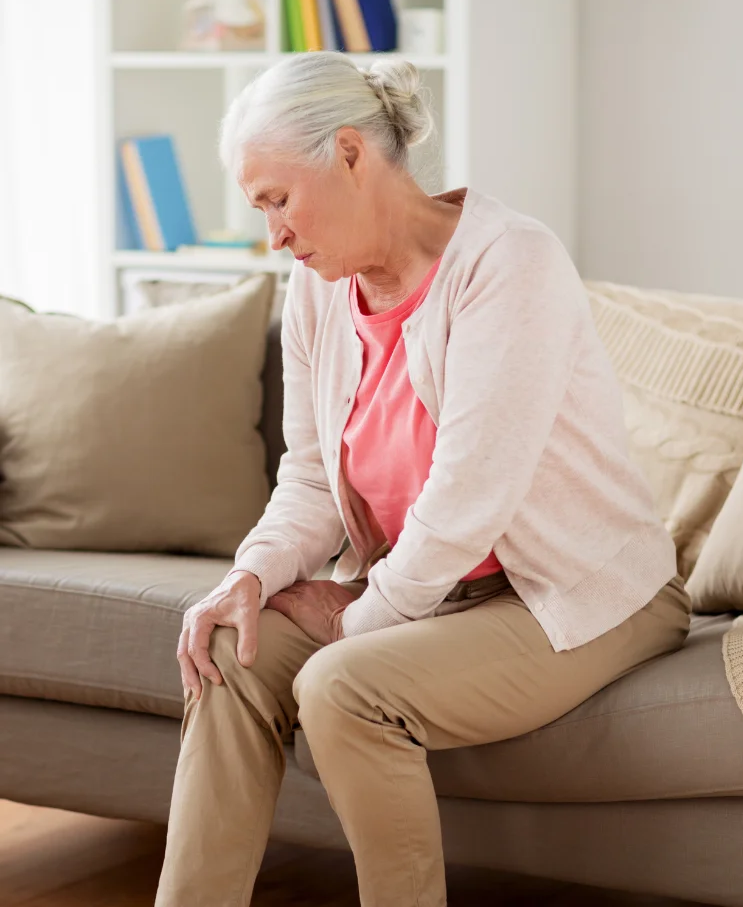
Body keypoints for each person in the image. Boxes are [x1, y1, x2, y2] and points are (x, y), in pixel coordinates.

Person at [155, 51, 692, 907]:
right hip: (437, 594)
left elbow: (467, 500)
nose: (275, 237)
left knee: (344, 685)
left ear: (351, 154)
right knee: (228, 646)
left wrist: (358, 616)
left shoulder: (508, 263)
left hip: (574, 594)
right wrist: (249, 577)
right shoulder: (317, 289)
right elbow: (309, 477)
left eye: (278, 200)